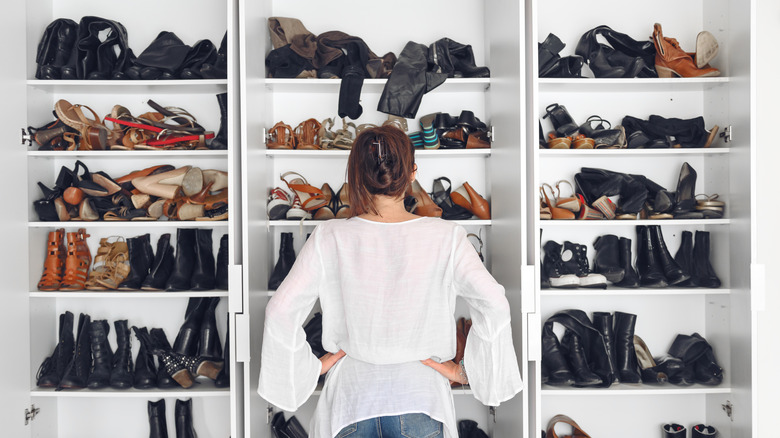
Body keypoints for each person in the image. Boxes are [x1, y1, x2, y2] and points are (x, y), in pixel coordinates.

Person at [258, 125, 522, 438]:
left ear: (356, 176)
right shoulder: (446, 236)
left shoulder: (329, 236)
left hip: (351, 400)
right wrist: (469, 372)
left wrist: (310, 369)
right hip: (421, 397)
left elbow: (279, 311)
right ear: (412, 173)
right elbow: (493, 301)